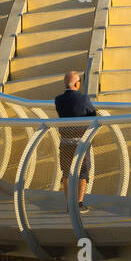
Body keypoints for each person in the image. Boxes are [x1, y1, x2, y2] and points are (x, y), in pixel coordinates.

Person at [54, 70, 97, 212]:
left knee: (66, 172)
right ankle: (79, 203)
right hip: (81, 143)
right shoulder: (84, 99)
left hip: (65, 142)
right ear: (77, 83)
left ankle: (69, 204)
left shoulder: (58, 100)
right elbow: (92, 115)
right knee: (83, 172)